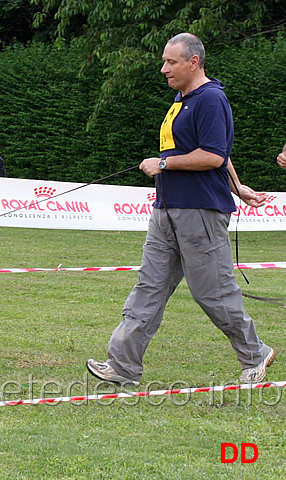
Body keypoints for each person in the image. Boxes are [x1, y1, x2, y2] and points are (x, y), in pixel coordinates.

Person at [86, 33, 274, 387]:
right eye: (164, 61)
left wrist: (165, 164)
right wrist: (238, 186)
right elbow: (221, 154)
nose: (164, 69)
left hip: (200, 210)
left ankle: (255, 353)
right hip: (167, 209)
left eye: (171, 62)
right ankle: (122, 366)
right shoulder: (182, 99)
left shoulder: (210, 99)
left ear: (194, 62)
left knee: (212, 293)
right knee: (149, 287)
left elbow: (213, 155)